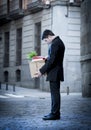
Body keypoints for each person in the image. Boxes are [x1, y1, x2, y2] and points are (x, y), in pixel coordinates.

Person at [38, 29, 65, 120]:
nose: (46, 42)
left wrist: (41, 71)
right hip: (55, 71)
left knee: (55, 94)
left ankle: (55, 114)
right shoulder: (58, 42)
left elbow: (52, 61)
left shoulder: (55, 43)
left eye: (46, 40)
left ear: (49, 36)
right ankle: (54, 112)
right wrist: (47, 57)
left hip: (55, 72)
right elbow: (53, 57)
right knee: (54, 93)